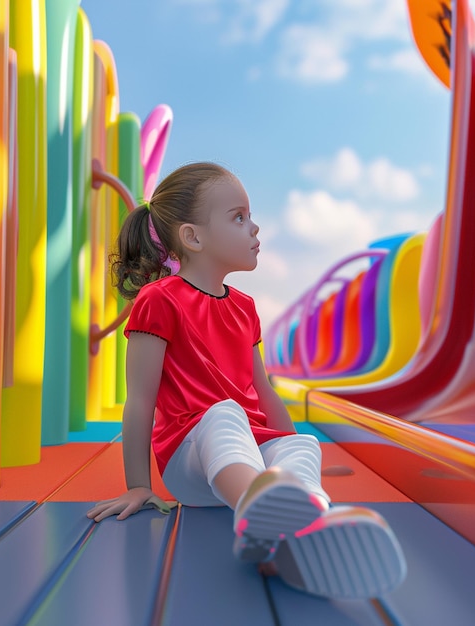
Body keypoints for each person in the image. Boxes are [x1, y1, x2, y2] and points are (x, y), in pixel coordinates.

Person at [86, 162, 406, 600]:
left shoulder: (245, 307)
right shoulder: (159, 300)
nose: (254, 228)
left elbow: (265, 390)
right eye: (238, 217)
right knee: (225, 413)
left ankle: (298, 531)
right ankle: (265, 507)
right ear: (193, 237)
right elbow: (140, 400)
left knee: (301, 445)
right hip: (190, 459)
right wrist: (138, 485)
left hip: (244, 456)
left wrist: (284, 445)